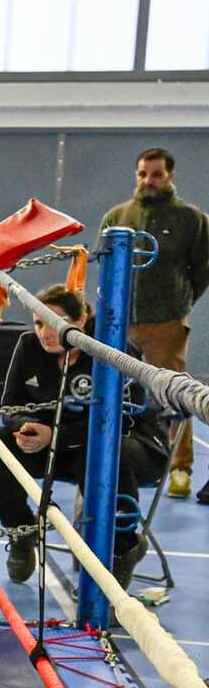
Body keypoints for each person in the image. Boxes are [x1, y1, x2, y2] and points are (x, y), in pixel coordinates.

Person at [0, 286, 168, 588]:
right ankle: (22, 532)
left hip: (129, 446)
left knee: (98, 452)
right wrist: (27, 427)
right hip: (62, 449)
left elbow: (120, 421)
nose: (45, 333)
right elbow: (10, 406)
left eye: (55, 323)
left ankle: (124, 547)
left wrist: (56, 435)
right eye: (39, 323)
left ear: (81, 320)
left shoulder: (110, 348)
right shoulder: (29, 346)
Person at [99, 148, 209, 501]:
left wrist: (179, 304)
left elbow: (203, 269)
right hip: (119, 323)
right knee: (111, 392)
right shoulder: (117, 216)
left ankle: (180, 468)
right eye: (143, 174)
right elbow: (104, 266)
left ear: (170, 176)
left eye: (157, 174)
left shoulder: (192, 219)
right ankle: (109, 459)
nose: (149, 180)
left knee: (174, 394)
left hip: (166, 323)